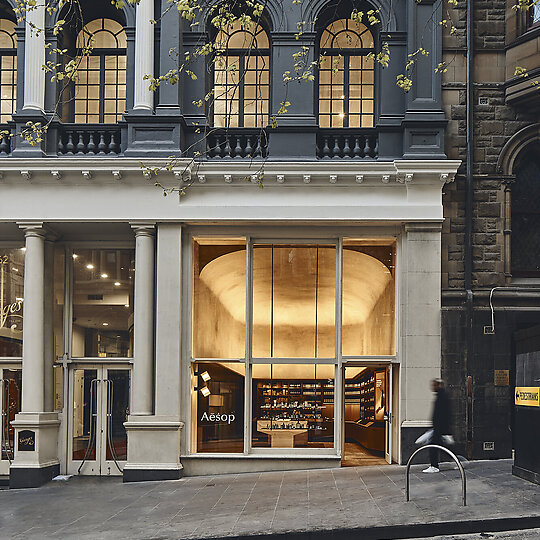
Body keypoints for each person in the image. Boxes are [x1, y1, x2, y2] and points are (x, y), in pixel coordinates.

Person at [423, 378, 451, 473]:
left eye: (434, 385)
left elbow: (444, 415)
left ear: (439, 385)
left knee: (433, 447)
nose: (432, 387)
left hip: (439, 428)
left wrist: (442, 430)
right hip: (438, 428)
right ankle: (458, 460)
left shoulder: (442, 397)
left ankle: (434, 466)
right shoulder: (440, 396)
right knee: (443, 448)